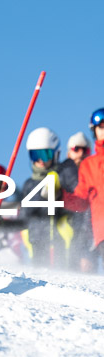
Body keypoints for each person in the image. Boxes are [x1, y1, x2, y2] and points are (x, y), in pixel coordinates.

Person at [19, 127, 70, 267]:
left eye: (46, 154)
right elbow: (25, 214)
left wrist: (59, 193)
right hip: (37, 239)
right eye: (35, 155)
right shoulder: (29, 185)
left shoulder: (63, 177)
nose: (40, 160)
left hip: (58, 239)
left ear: (55, 154)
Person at [64, 108, 104, 272]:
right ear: (94, 130)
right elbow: (81, 201)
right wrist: (61, 196)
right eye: (101, 126)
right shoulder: (89, 165)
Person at [58, 131, 93, 271]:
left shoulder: (92, 174)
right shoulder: (67, 169)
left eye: (85, 150)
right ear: (68, 153)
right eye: (76, 149)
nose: (81, 153)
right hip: (68, 229)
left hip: (86, 232)